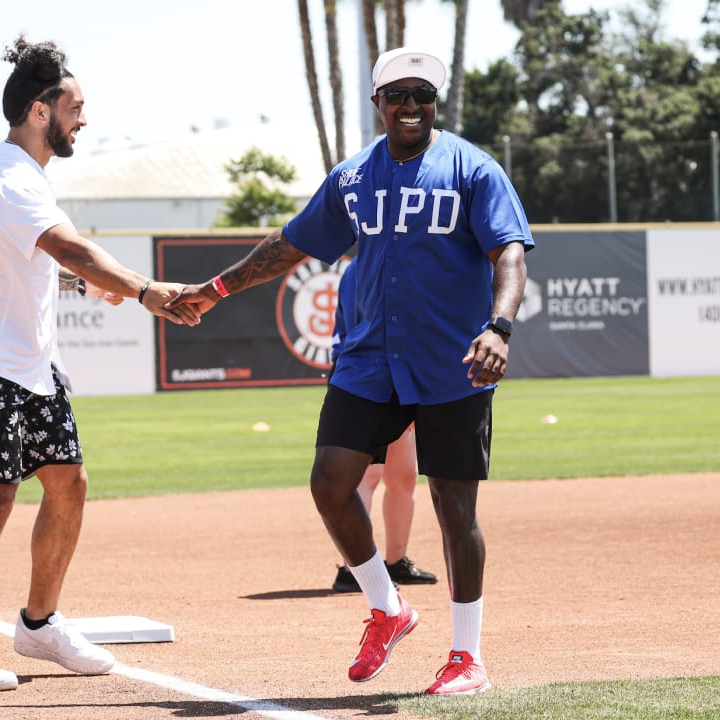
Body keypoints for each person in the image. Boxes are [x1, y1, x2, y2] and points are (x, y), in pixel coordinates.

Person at [169, 46, 532, 696]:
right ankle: (388, 608)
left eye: (422, 93)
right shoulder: (352, 178)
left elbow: (509, 253)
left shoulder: (473, 170)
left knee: (455, 504)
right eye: (399, 95)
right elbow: (290, 245)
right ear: (378, 105)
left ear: (434, 102)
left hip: (454, 362)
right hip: (369, 358)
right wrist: (215, 289)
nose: (411, 105)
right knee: (330, 482)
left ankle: (466, 657)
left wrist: (499, 328)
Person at [0, 36, 199, 693]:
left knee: (68, 484)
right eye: (75, 106)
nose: (83, 119)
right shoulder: (15, 175)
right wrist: (143, 289)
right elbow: (65, 246)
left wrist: (86, 283)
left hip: (26, 362)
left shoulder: (19, 172)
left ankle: (39, 624)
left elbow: (33, 260)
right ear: (41, 110)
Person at [329, 261, 437, 594]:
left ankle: (396, 562)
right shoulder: (360, 270)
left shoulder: (407, 263)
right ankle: (355, 569)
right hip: (368, 377)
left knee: (403, 475)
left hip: (404, 377)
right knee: (368, 475)